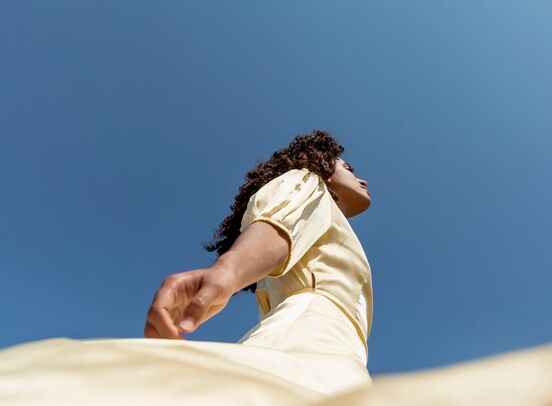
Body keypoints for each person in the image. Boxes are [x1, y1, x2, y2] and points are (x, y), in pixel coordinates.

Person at [0, 129, 375, 404]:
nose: (361, 177)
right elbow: (278, 230)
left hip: (339, 351)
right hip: (309, 343)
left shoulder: (330, 223)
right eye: (347, 166)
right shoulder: (305, 184)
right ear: (321, 167)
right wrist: (227, 272)